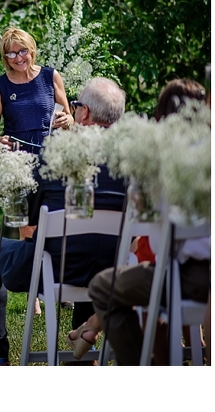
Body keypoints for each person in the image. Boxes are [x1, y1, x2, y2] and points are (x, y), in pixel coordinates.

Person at [0, 77, 126, 365]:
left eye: (76, 105)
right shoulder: (132, 162)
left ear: (85, 113)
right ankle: (80, 357)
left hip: (51, 270)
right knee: (93, 247)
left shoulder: (54, 157)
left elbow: (29, 217)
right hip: (113, 274)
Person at [80, 78, 210, 365]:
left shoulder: (158, 159)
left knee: (105, 286)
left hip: (183, 276)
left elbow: (149, 227)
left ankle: (143, 370)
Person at [0, 27, 72, 243]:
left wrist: (68, 120)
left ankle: (56, 268)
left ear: (31, 49)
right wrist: (0, 139)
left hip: (52, 158)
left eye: (22, 50)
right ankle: (29, 272)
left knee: (58, 216)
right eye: (11, 53)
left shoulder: (50, 76)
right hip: (20, 162)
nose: (18, 58)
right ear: (5, 57)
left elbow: (69, 116)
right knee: (27, 225)